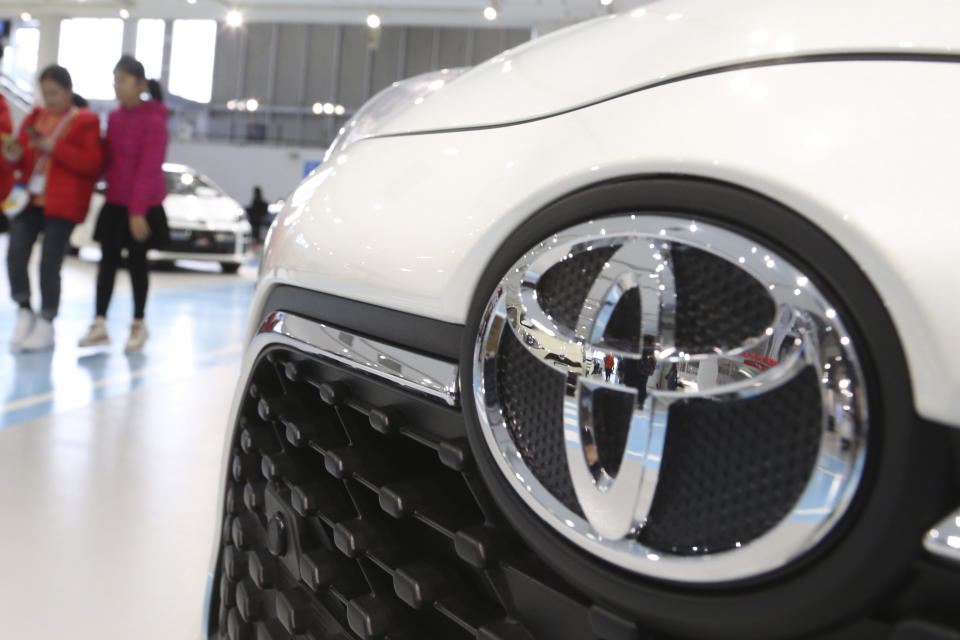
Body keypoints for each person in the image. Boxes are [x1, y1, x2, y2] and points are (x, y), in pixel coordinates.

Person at [1, 65, 102, 351]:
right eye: (45, 93)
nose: (49, 99)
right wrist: (13, 153)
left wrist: (52, 146)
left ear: (69, 91)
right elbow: (20, 157)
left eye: (55, 93)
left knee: (49, 264)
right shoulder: (36, 116)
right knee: (15, 254)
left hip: (62, 202)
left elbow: (91, 163)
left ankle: (47, 322)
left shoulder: (85, 121)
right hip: (28, 200)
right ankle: (24, 309)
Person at [78, 55, 169, 352]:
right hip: (116, 203)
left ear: (140, 84)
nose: (117, 86)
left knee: (136, 265)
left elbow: (148, 168)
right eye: (114, 80)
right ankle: (99, 324)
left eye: (122, 80)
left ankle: (138, 325)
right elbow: (107, 160)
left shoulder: (155, 122)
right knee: (106, 264)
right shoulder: (115, 118)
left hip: (141, 207)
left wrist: (138, 211)